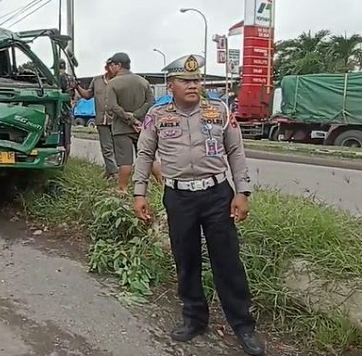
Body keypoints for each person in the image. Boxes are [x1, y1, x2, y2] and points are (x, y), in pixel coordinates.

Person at [131, 54, 264, 356]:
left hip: (217, 194)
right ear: (171, 85)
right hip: (179, 197)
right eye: (185, 81)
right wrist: (139, 193)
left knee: (227, 261)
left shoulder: (218, 110)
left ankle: (243, 325)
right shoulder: (157, 114)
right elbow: (144, 154)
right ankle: (194, 318)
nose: (193, 85)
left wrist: (242, 191)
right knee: (186, 260)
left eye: (197, 80)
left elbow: (236, 151)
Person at [104, 52, 154, 193]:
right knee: (149, 156)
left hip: (121, 128)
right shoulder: (143, 81)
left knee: (125, 160)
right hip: (142, 126)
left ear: (118, 66)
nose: (110, 68)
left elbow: (112, 106)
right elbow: (150, 102)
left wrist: (129, 118)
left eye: (112, 65)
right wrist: (137, 117)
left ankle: (122, 187)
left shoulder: (113, 83)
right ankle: (161, 184)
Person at [75, 63, 118, 177]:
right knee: (106, 148)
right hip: (101, 119)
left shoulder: (121, 81)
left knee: (118, 148)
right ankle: (114, 173)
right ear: (107, 68)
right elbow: (88, 95)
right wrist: (77, 87)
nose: (114, 69)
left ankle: (114, 172)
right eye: (112, 66)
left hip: (117, 120)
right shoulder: (97, 80)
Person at [58, 59, 78, 159]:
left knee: (60, 139)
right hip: (69, 112)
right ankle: (66, 159)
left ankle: (61, 159)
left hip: (59, 112)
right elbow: (75, 96)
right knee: (67, 140)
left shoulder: (57, 78)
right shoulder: (71, 78)